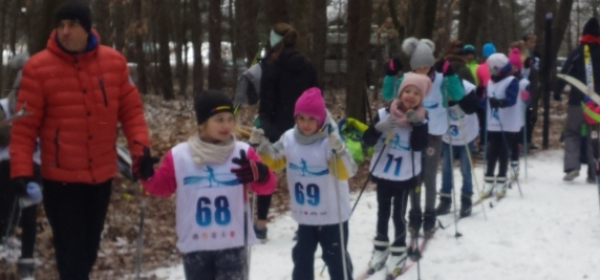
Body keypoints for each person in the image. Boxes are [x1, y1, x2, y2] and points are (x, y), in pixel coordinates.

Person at [9, 2, 150, 279]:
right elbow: (24, 128)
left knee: (88, 250)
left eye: (72, 25)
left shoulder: (114, 63)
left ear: (86, 28)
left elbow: (131, 112)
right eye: (60, 25)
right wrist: (22, 171)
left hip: (101, 175)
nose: (64, 31)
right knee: (70, 252)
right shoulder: (38, 68)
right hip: (60, 179)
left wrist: (140, 152)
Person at [137, 90, 276, 280]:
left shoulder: (243, 152)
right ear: (202, 123)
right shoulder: (180, 155)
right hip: (196, 245)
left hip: (233, 244)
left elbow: (266, 188)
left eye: (230, 119)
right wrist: (146, 174)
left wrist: (262, 173)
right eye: (219, 119)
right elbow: (161, 187)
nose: (226, 125)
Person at [251, 87, 355, 280]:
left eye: (311, 119)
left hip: (332, 216)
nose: (305, 124)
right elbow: (274, 161)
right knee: (301, 256)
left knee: (335, 258)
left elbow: (346, 172)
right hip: (305, 215)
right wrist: (262, 146)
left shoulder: (329, 139)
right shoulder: (290, 138)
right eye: (301, 118)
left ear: (320, 119)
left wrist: (338, 150)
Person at [395, 37, 464, 239]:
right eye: (418, 67)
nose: (422, 70)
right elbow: (390, 94)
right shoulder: (408, 79)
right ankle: (414, 216)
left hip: (434, 134)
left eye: (426, 66)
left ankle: (429, 216)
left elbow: (457, 95)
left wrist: (450, 74)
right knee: (414, 176)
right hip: (412, 134)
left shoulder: (441, 78)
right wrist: (390, 74)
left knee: (429, 177)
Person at [256, 22, 318, 240]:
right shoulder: (307, 65)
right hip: (304, 128)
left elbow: (266, 103)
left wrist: (265, 127)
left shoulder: (271, 66)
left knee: (267, 174)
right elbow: (316, 97)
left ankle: (261, 224)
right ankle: (304, 224)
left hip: (278, 128)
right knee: (301, 175)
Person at [363, 73, 430, 275]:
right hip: (384, 172)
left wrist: (417, 125)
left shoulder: (422, 118)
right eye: (407, 91)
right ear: (400, 93)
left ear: (421, 97)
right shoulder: (384, 113)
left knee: (398, 214)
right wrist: (377, 129)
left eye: (416, 93)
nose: (410, 96)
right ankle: (381, 247)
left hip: (404, 175)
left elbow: (420, 146)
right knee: (382, 211)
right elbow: (366, 140)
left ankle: (398, 250)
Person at [0, 55, 41, 280]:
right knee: (4, 204)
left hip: (31, 165)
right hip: (5, 165)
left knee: (29, 209)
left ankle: (27, 259)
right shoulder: (5, 106)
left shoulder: (40, 109)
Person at [555, 18, 600, 183]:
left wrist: (557, 91)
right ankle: (594, 171)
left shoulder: (577, 52)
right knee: (594, 135)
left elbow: (565, 72)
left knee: (572, 132)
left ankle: (572, 167)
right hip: (597, 103)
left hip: (577, 100)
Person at [436, 79, 479, 217]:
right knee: (446, 168)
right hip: (448, 135)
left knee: (465, 169)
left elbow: (473, 107)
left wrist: (459, 100)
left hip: (466, 134)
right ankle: (445, 200)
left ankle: (466, 200)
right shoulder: (439, 84)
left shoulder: (468, 88)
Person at [481, 53, 520, 199]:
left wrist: (500, 102)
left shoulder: (511, 80)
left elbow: (512, 99)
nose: (489, 71)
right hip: (494, 122)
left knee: (503, 151)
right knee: (491, 151)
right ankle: (489, 180)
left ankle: (501, 180)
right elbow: (485, 98)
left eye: (491, 68)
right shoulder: (491, 82)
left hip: (507, 123)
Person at [508, 47, 531, 180]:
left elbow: (529, 101)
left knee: (515, 143)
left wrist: (526, 96)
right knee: (506, 142)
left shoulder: (523, 82)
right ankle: (506, 165)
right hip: (506, 116)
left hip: (518, 117)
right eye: (510, 67)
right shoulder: (505, 80)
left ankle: (515, 166)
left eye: (514, 67)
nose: (513, 69)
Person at [475, 43, 497, 154]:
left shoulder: (480, 68)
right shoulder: (498, 67)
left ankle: (483, 144)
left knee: (483, 123)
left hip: (483, 98)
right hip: (495, 98)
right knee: (494, 122)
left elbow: (480, 84)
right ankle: (492, 144)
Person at [522, 33, 541, 150]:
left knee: (533, 115)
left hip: (534, 86)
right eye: (530, 42)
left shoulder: (536, 55)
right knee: (526, 114)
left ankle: (528, 139)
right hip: (526, 87)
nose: (533, 45)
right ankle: (523, 140)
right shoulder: (523, 55)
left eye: (534, 42)